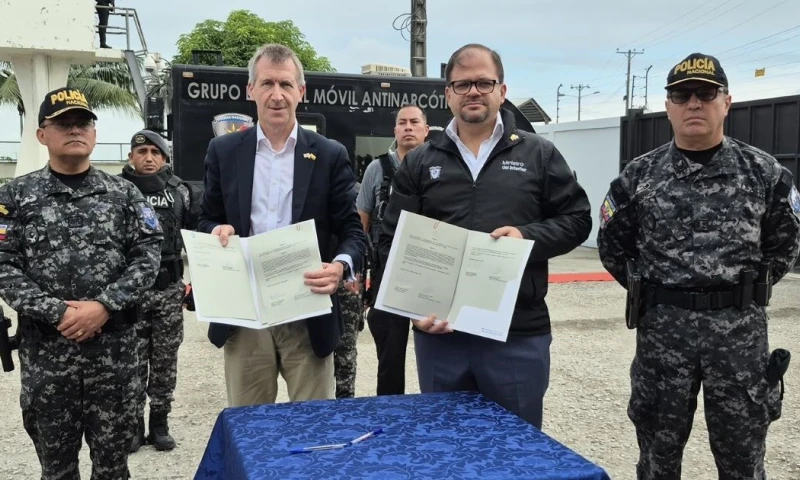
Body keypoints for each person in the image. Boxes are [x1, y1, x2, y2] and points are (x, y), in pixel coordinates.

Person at [597, 53, 800, 479]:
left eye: (706, 94)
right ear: (668, 105)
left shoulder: (764, 173)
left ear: (726, 102)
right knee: (657, 458)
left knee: (744, 459)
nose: (694, 103)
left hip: (739, 337)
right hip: (663, 335)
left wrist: (740, 293)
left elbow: (784, 244)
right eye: (682, 94)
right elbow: (614, 248)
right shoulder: (639, 176)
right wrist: (656, 291)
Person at [378, 44, 592, 428]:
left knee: (516, 452)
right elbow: (391, 238)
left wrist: (527, 237)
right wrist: (413, 311)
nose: (473, 92)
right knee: (447, 450)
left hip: (516, 336)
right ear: (447, 94)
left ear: (502, 90)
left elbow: (577, 219)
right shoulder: (421, 161)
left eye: (483, 82)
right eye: (462, 84)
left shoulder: (538, 154)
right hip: (441, 337)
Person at [0, 87, 163, 479]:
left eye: (83, 123)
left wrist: (103, 306)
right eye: (63, 124)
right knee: (56, 470)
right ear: (42, 134)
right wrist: (58, 312)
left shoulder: (124, 194)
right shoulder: (15, 196)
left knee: (113, 468)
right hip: (48, 360)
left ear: (94, 132)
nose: (75, 130)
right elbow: (5, 266)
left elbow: (148, 256)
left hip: (115, 357)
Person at [198, 43, 366, 407]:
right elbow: (206, 217)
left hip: (306, 308)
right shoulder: (224, 152)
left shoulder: (328, 154)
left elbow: (352, 231)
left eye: (286, 85)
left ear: (301, 92)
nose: (277, 95)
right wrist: (215, 231)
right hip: (245, 313)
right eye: (268, 84)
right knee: (250, 429)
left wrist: (340, 267)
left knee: (313, 428)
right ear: (251, 90)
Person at [121, 130, 201, 452]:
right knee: (132, 362)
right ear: (131, 157)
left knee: (165, 360)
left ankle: (160, 422)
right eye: (142, 151)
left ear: (166, 158)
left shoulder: (181, 192)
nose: (149, 157)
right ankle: (134, 425)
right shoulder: (116, 191)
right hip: (130, 295)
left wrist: (202, 284)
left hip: (169, 289)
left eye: (156, 152)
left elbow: (198, 239)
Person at [357, 104, 429, 395]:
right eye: (402, 123)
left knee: (438, 354)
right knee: (389, 358)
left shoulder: (439, 166)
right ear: (395, 130)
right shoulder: (377, 169)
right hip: (387, 276)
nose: (408, 127)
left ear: (426, 130)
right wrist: (358, 275)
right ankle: (390, 414)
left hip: (431, 274)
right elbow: (360, 224)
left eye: (414, 122)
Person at [333, 182, 365, 399]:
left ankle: (345, 404)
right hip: (316, 278)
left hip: (346, 281)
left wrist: (356, 273)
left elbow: (360, 235)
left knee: (345, 352)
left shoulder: (353, 191)